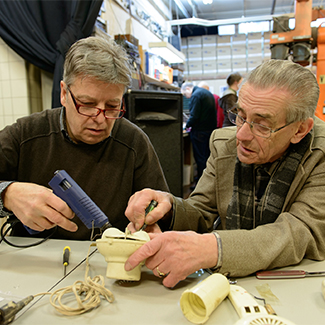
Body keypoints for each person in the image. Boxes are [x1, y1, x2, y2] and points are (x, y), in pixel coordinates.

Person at [123, 59, 325, 288]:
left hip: (298, 287)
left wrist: (212, 249)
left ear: (300, 130)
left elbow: (300, 233)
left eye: (261, 125)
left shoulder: (320, 155)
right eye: (241, 116)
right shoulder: (225, 145)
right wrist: (168, 208)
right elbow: (202, 211)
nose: (241, 135)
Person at [0, 36, 168, 240]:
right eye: (87, 104)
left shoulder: (134, 143)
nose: (99, 119)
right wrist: (6, 194)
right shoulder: (26, 134)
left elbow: (163, 210)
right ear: (63, 93)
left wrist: (153, 225)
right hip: (34, 261)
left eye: (112, 107)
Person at [181, 82, 217, 182]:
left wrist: (186, 126)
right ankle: (206, 182)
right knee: (206, 158)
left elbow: (194, 116)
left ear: (188, 88)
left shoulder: (196, 95)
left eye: (185, 94)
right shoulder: (205, 92)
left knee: (200, 158)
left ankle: (201, 183)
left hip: (200, 132)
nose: (186, 97)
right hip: (209, 130)